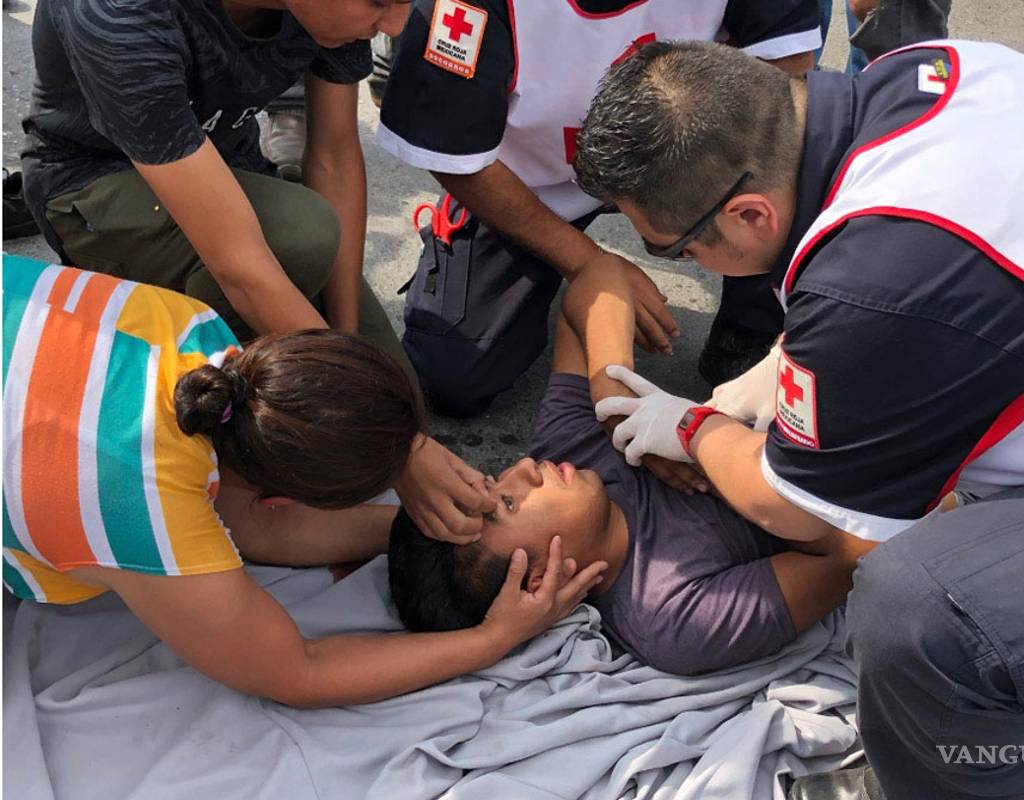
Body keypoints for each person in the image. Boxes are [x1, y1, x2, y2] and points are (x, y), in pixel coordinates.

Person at [572, 41, 1024, 799]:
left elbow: (796, 509)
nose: (673, 262)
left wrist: (699, 430)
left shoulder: (880, 285)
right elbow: (882, 293)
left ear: (746, 214)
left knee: (929, 619)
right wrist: (754, 386)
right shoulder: (927, 69)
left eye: (667, 247)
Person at [2, 255, 605, 708]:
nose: (521, 468)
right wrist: (493, 640)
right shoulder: (144, 512)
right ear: (281, 497)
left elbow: (248, 519)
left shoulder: (195, 333)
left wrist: (420, 523)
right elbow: (300, 672)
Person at [389, 267, 870, 674]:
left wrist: (611, 397)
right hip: (875, 464)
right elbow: (855, 550)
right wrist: (705, 442)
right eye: (508, 504)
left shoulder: (569, 449)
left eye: (495, 481)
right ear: (536, 583)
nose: (523, 468)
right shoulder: (673, 617)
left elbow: (598, 277)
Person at [376, 0, 823, 417]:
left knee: (783, 173)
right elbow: (453, 155)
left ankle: (751, 325)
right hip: (532, 178)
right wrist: (587, 262)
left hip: (682, 153)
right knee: (455, 377)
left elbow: (784, 87)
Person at [20, 0, 407, 357]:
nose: (395, 25)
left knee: (396, 392)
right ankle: (200, 371)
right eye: (379, 0)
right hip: (94, 182)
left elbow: (334, 157)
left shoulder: (340, 12)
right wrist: (348, 391)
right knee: (304, 236)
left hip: (228, 168)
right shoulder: (120, 10)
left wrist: (350, 345)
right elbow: (238, 264)